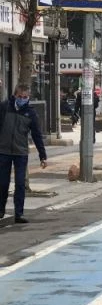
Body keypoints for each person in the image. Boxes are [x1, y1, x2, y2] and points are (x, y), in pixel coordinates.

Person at [0, 84, 47, 224]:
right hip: (3, 151)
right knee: (3, 183)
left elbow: (37, 135)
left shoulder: (31, 113)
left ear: (28, 97)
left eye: (25, 97)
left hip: (21, 153)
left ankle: (19, 214)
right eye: (20, 96)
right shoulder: (4, 107)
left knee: (20, 183)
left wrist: (42, 155)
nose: (22, 99)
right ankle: (1, 210)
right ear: (15, 95)